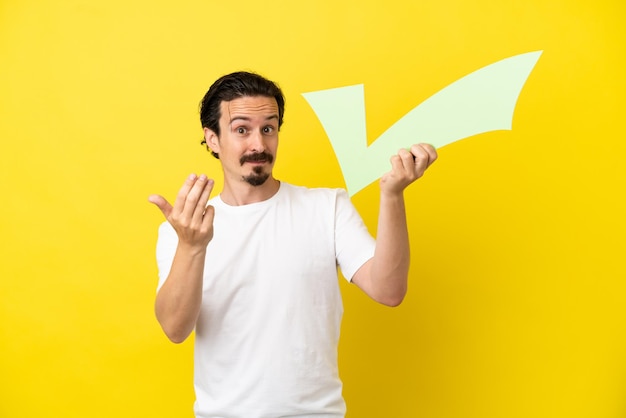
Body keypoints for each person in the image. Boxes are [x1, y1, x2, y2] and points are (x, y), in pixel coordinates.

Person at [148, 71, 437, 418]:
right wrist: (192, 247)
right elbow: (175, 329)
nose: (259, 144)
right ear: (212, 139)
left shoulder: (326, 207)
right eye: (242, 130)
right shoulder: (184, 230)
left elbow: (388, 290)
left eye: (268, 128)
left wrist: (391, 196)